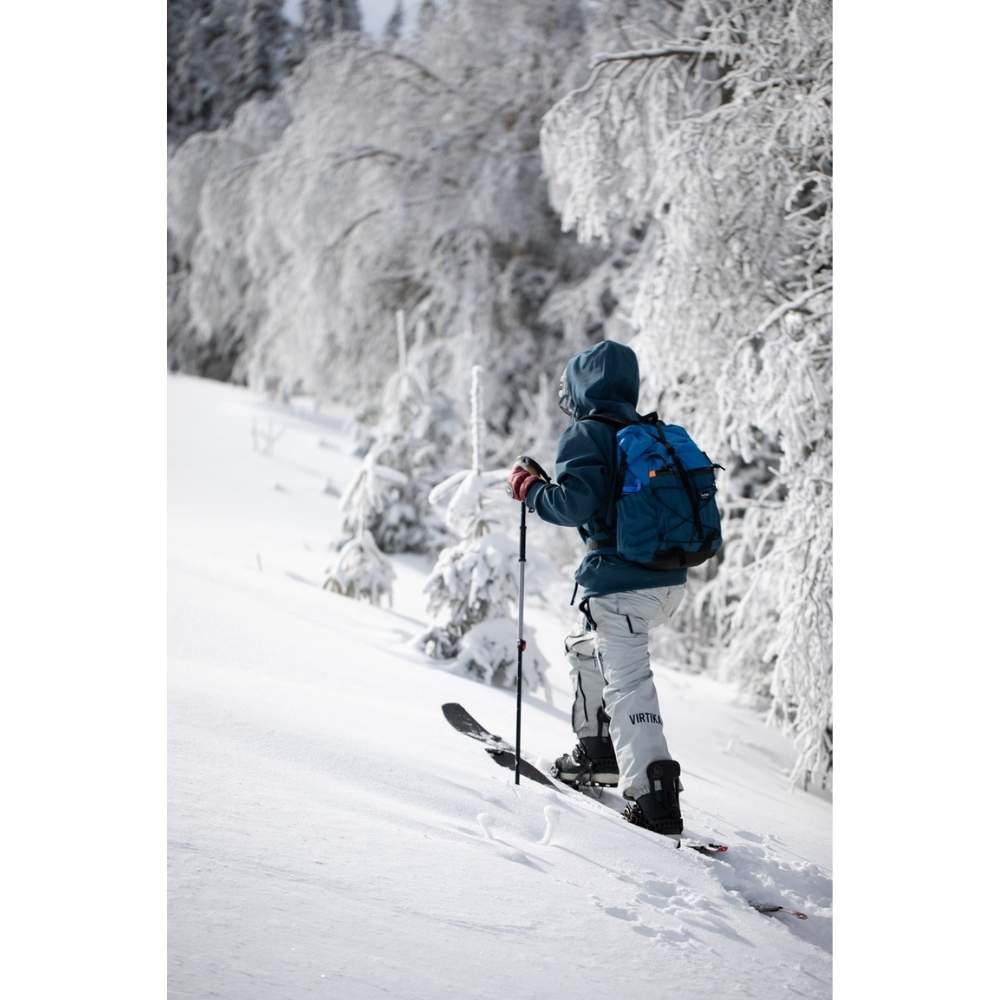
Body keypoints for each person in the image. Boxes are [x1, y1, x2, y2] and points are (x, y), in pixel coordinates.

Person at [506, 340, 686, 838]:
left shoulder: (587, 432)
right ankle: (599, 752)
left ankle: (655, 801)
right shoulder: (645, 431)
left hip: (622, 584)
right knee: (586, 649)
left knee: (628, 684)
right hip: (666, 581)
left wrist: (528, 489)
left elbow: (572, 505)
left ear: (581, 387)